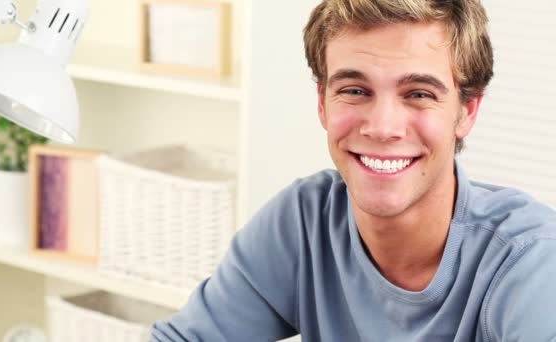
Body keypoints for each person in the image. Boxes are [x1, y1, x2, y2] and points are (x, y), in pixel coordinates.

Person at [151, 0, 556, 341]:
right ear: (323, 103)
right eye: (355, 91)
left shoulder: (530, 262)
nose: (381, 127)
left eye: (418, 94)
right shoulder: (302, 223)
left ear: (466, 112)